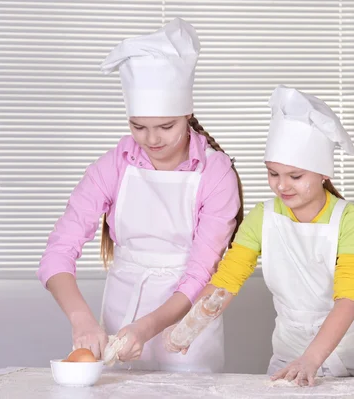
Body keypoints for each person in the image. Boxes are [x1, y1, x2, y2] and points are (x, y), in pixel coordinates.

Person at [37, 18, 243, 372]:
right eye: (139, 127)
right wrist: (82, 319)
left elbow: (199, 273)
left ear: (187, 115)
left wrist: (147, 328)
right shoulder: (112, 166)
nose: (152, 140)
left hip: (185, 322)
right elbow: (57, 253)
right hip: (121, 313)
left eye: (166, 126)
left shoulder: (215, 172)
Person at [163, 85, 354, 386]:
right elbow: (226, 282)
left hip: (350, 353)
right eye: (273, 173)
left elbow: (348, 299)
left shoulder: (350, 219)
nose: (282, 186)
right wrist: (189, 326)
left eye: (295, 176)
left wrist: (312, 358)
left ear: (323, 173)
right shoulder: (262, 217)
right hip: (288, 352)